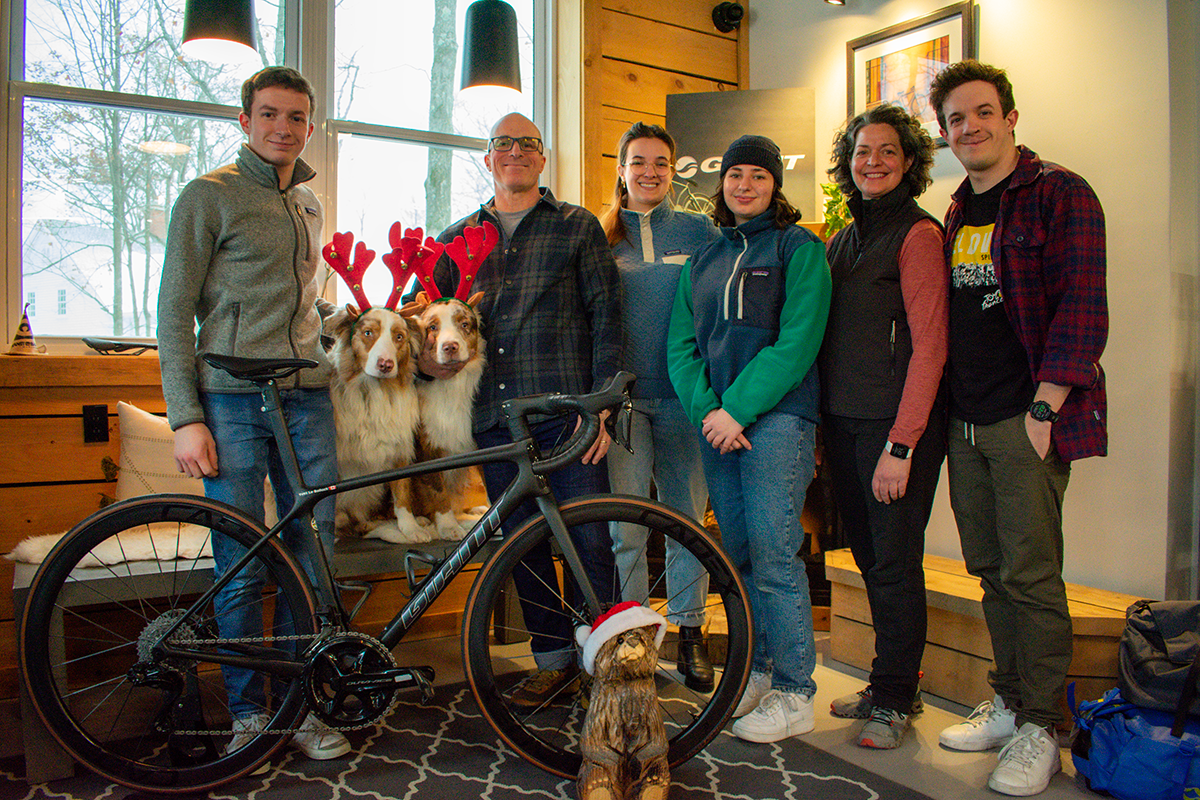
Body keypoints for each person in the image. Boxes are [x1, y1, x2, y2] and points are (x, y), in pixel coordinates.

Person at [157, 66, 350, 760]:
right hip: (232, 398)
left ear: (308, 126)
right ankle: (248, 714)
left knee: (313, 553)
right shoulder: (207, 197)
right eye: (269, 114)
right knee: (242, 555)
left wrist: (345, 325)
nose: (282, 128)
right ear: (245, 121)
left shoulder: (307, 205)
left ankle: (304, 708)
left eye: (296, 118)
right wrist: (186, 415)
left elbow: (300, 303)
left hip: (306, 396)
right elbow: (175, 311)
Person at [928, 60, 1107, 796]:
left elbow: (1083, 308)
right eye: (956, 120)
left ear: (1009, 118)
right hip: (964, 420)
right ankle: (1008, 702)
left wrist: (1045, 408)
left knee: (1032, 576)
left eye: (981, 113)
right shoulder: (955, 209)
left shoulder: (1059, 193)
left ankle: (1044, 726)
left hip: (1022, 419)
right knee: (989, 571)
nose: (970, 127)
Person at [418, 112, 622, 707]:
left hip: (569, 414)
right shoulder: (454, 238)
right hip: (492, 419)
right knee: (524, 545)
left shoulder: (578, 227)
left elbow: (607, 318)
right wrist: (430, 365)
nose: (514, 152)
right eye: (502, 144)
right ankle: (553, 661)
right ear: (488, 158)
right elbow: (421, 316)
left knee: (590, 541)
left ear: (541, 157)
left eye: (527, 144)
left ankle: (604, 666)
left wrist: (604, 407)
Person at [667, 135, 831, 743]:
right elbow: (681, 346)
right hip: (718, 428)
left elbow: (799, 340)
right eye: (735, 174)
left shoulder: (799, 248)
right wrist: (709, 411)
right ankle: (758, 671)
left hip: (779, 421)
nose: (744, 185)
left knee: (773, 553)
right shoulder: (705, 258)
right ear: (723, 183)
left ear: (774, 184)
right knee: (737, 555)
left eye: (757, 176)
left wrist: (737, 409)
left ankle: (795, 690)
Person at [820, 104, 948, 749]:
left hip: (893, 433)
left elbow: (930, 347)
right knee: (870, 560)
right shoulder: (844, 238)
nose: (872, 162)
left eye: (887, 152)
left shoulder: (918, 235)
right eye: (862, 151)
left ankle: (897, 698)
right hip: (844, 425)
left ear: (909, 162)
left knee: (895, 563)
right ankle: (889, 680)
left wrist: (902, 445)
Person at [598, 122, 721, 692]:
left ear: (673, 170)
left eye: (660, 163)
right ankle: (630, 638)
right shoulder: (599, 235)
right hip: (623, 405)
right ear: (621, 168)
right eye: (638, 161)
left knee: (684, 521)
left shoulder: (701, 231)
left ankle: (690, 632)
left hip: (684, 401)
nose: (649, 172)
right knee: (627, 527)